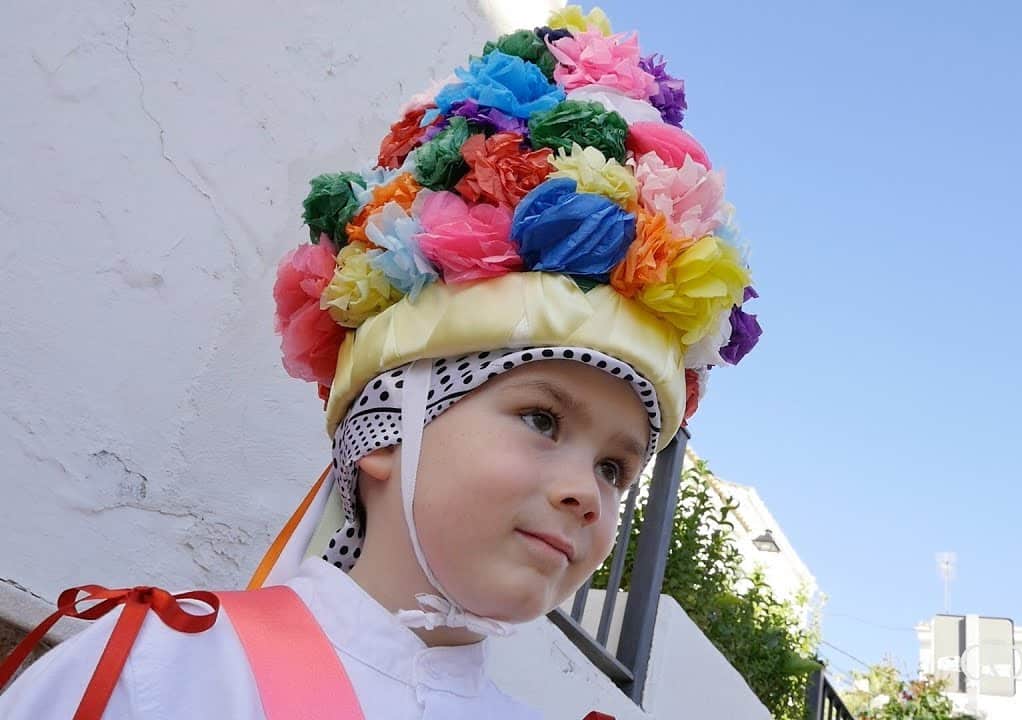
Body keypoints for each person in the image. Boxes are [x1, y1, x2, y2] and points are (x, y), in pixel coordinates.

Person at [0, 4, 763, 718]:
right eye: (541, 416)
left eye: (615, 469)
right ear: (387, 427)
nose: (586, 496)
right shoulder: (161, 673)